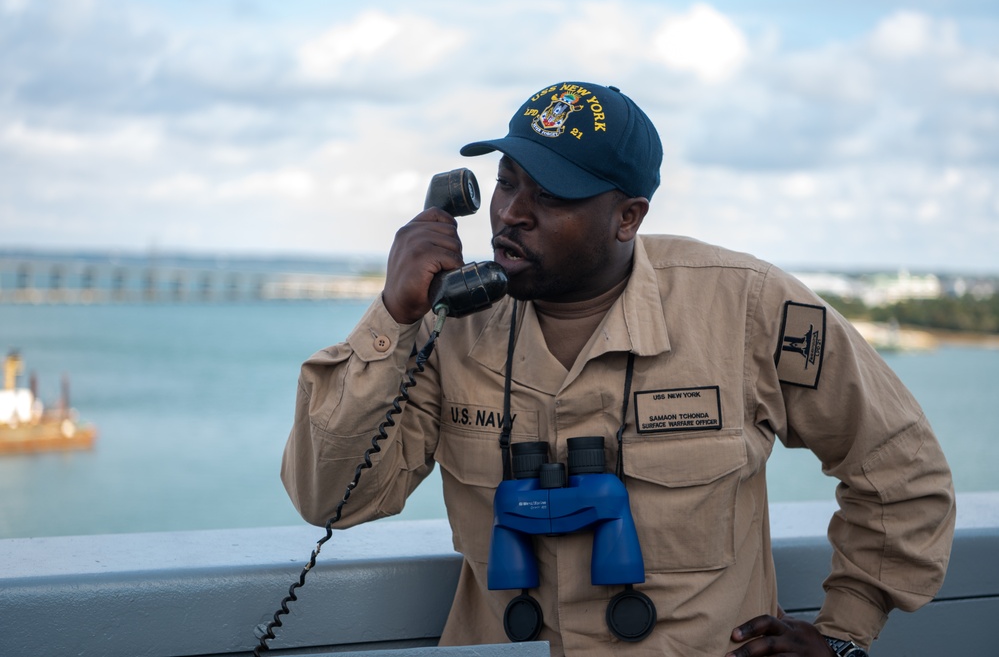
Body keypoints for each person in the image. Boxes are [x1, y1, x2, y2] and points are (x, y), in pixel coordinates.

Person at [281, 80, 955, 656]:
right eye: (506, 183)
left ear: (627, 216)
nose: (512, 213)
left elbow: (901, 470)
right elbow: (330, 497)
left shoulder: (747, 306)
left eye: (551, 196)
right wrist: (392, 318)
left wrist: (843, 632)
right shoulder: (446, 320)